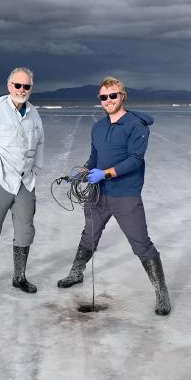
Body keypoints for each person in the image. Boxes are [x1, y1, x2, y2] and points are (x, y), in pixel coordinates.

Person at [57, 76, 171, 315]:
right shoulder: (98, 127)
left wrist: (106, 174)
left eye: (113, 95)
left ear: (123, 96)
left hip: (125, 195)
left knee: (141, 244)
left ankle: (161, 293)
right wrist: (85, 170)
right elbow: (94, 158)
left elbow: (135, 160)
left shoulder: (136, 125)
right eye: (103, 97)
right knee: (89, 234)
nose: (108, 100)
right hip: (98, 194)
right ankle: (76, 273)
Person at [0, 67, 44, 298]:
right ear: (9, 85)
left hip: (25, 182)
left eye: (26, 86)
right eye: (17, 85)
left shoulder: (33, 113)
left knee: (25, 231)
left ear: (31, 88)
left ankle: (19, 277)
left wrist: (36, 170)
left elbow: (40, 141)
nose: (22, 90)